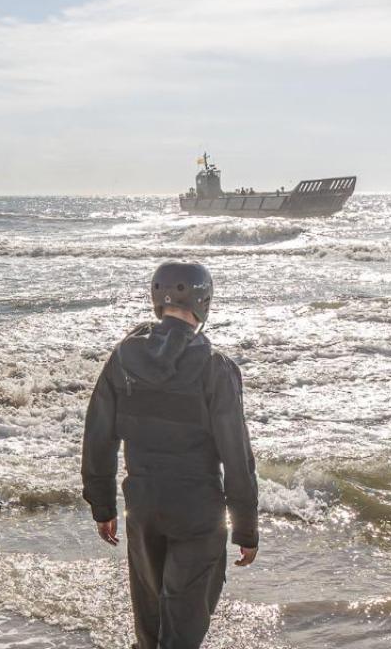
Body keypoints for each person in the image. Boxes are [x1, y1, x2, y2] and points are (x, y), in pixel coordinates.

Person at [82, 262, 258, 649]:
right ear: (204, 302)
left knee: (149, 627)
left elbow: (98, 435)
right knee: (182, 633)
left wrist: (102, 505)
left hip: (142, 508)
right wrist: (245, 527)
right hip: (198, 514)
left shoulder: (123, 358)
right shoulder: (216, 367)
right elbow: (237, 456)